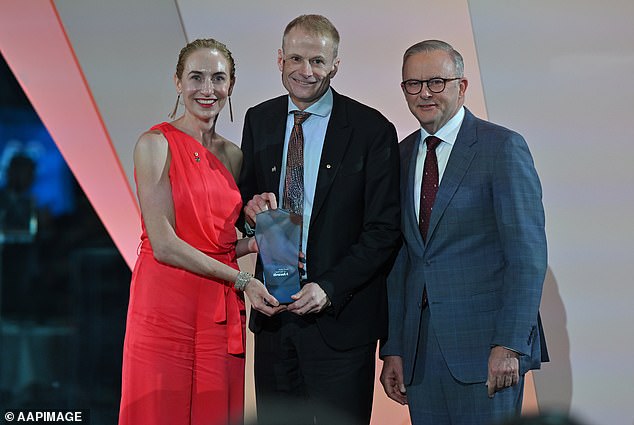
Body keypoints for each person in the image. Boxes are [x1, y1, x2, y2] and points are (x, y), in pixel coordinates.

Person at [238, 15, 401, 425]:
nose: (305, 71)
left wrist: (329, 288)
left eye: (317, 61)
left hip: (340, 323)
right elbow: (245, 205)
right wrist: (249, 211)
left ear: (335, 66)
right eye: (295, 58)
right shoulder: (259, 119)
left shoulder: (371, 129)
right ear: (279, 59)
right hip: (275, 319)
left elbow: (384, 231)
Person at [379, 40, 548, 425]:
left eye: (437, 82)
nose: (424, 93)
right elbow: (400, 261)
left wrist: (508, 343)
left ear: (462, 86)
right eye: (413, 84)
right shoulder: (401, 156)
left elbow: (527, 255)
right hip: (420, 355)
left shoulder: (502, 147)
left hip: (487, 348)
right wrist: (393, 348)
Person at [118, 38, 283, 425]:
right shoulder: (155, 144)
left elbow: (217, 241)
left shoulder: (234, 155)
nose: (207, 89)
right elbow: (165, 244)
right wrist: (243, 280)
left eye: (218, 78)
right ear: (178, 82)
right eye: (196, 77)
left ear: (232, 85)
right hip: (164, 307)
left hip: (218, 312)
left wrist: (257, 242)